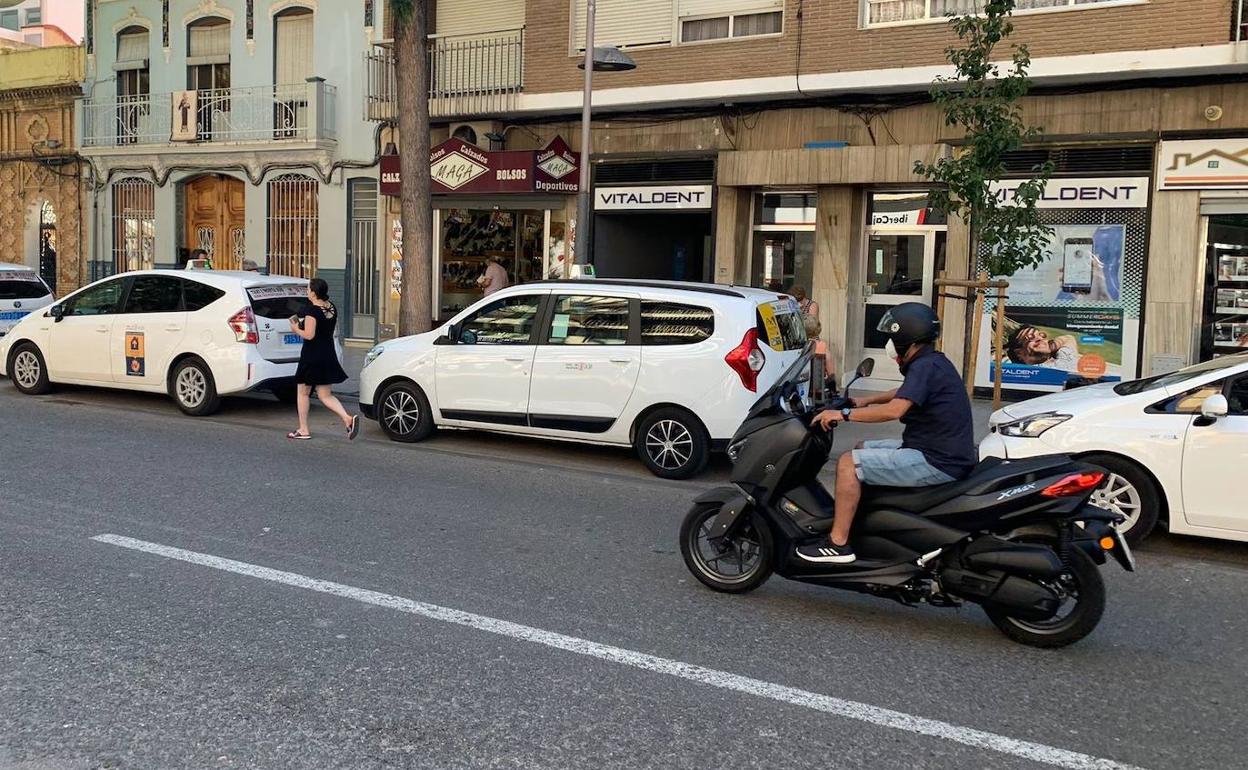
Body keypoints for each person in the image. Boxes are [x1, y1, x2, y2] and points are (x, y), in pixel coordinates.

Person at [796, 302, 975, 564]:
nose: (889, 344)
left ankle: (838, 544)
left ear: (907, 339)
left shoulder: (925, 366)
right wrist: (866, 401)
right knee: (861, 448)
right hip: (937, 451)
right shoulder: (932, 362)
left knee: (848, 463)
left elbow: (895, 410)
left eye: (893, 338)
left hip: (936, 461)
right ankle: (866, 522)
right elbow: (905, 392)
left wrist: (843, 414)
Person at [287, 278, 359, 441]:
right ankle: (347, 418)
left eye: (308, 288)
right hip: (327, 353)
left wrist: (295, 328)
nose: (307, 291)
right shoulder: (331, 307)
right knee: (325, 395)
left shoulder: (312, 311)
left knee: (303, 392)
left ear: (313, 292)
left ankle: (303, 429)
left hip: (312, 356)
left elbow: (309, 335)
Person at [1005, 325, 1080, 372]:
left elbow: (1068, 338)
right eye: (1030, 337)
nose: (1040, 338)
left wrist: (1050, 346)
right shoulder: (1020, 372)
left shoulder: (1065, 357)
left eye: (1041, 335)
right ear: (1019, 353)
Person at [803, 315, 837, 394]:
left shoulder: (801, 346)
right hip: (818, 384)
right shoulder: (822, 345)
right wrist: (833, 385)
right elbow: (830, 367)